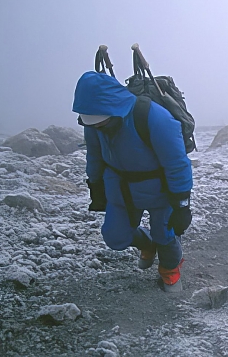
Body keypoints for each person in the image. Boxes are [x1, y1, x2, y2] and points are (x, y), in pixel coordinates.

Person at [72, 71, 193, 292]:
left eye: (100, 123)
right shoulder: (94, 123)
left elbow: (177, 163)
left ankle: (169, 269)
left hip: (160, 189)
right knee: (114, 236)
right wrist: (95, 184)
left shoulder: (156, 118)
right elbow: (95, 154)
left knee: (165, 234)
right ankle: (148, 244)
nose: (96, 127)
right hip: (120, 188)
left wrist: (182, 204)